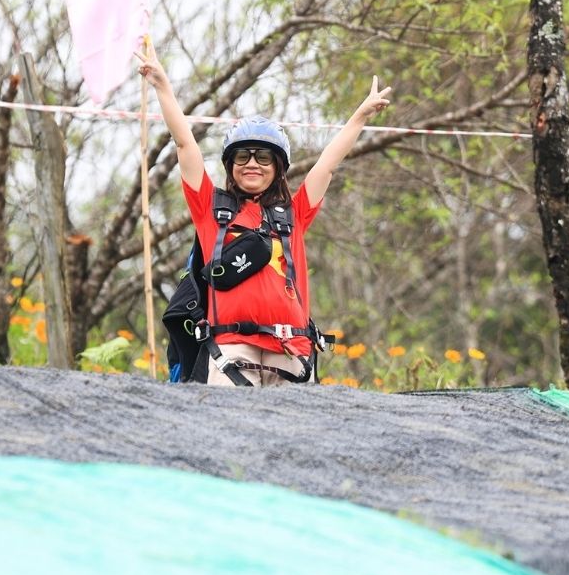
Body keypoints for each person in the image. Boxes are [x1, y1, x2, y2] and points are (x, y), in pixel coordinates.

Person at [138, 47, 392, 386]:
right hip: (230, 349)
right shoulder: (211, 210)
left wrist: (359, 117)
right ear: (231, 166)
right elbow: (185, 146)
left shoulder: (294, 214)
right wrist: (162, 87)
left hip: (291, 349)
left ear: (278, 169)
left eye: (263, 157)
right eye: (243, 156)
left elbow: (327, 165)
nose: (253, 164)